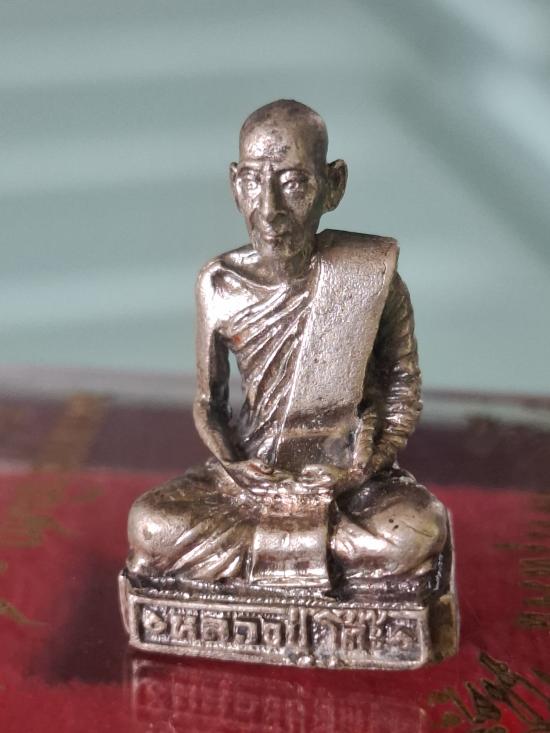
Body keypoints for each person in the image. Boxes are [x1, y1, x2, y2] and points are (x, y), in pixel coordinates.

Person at [126, 100, 447, 588]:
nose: (270, 210)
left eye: (294, 183)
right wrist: (238, 466)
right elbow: (209, 405)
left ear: (333, 185)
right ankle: (324, 561)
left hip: (346, 485)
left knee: (418, 529)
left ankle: (275, 559)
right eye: (254, 181)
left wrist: (361, 469)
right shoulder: (219, 284)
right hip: (251, 482)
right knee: (150, 524)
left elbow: (401, 390)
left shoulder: (367, 276)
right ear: (236, 185)